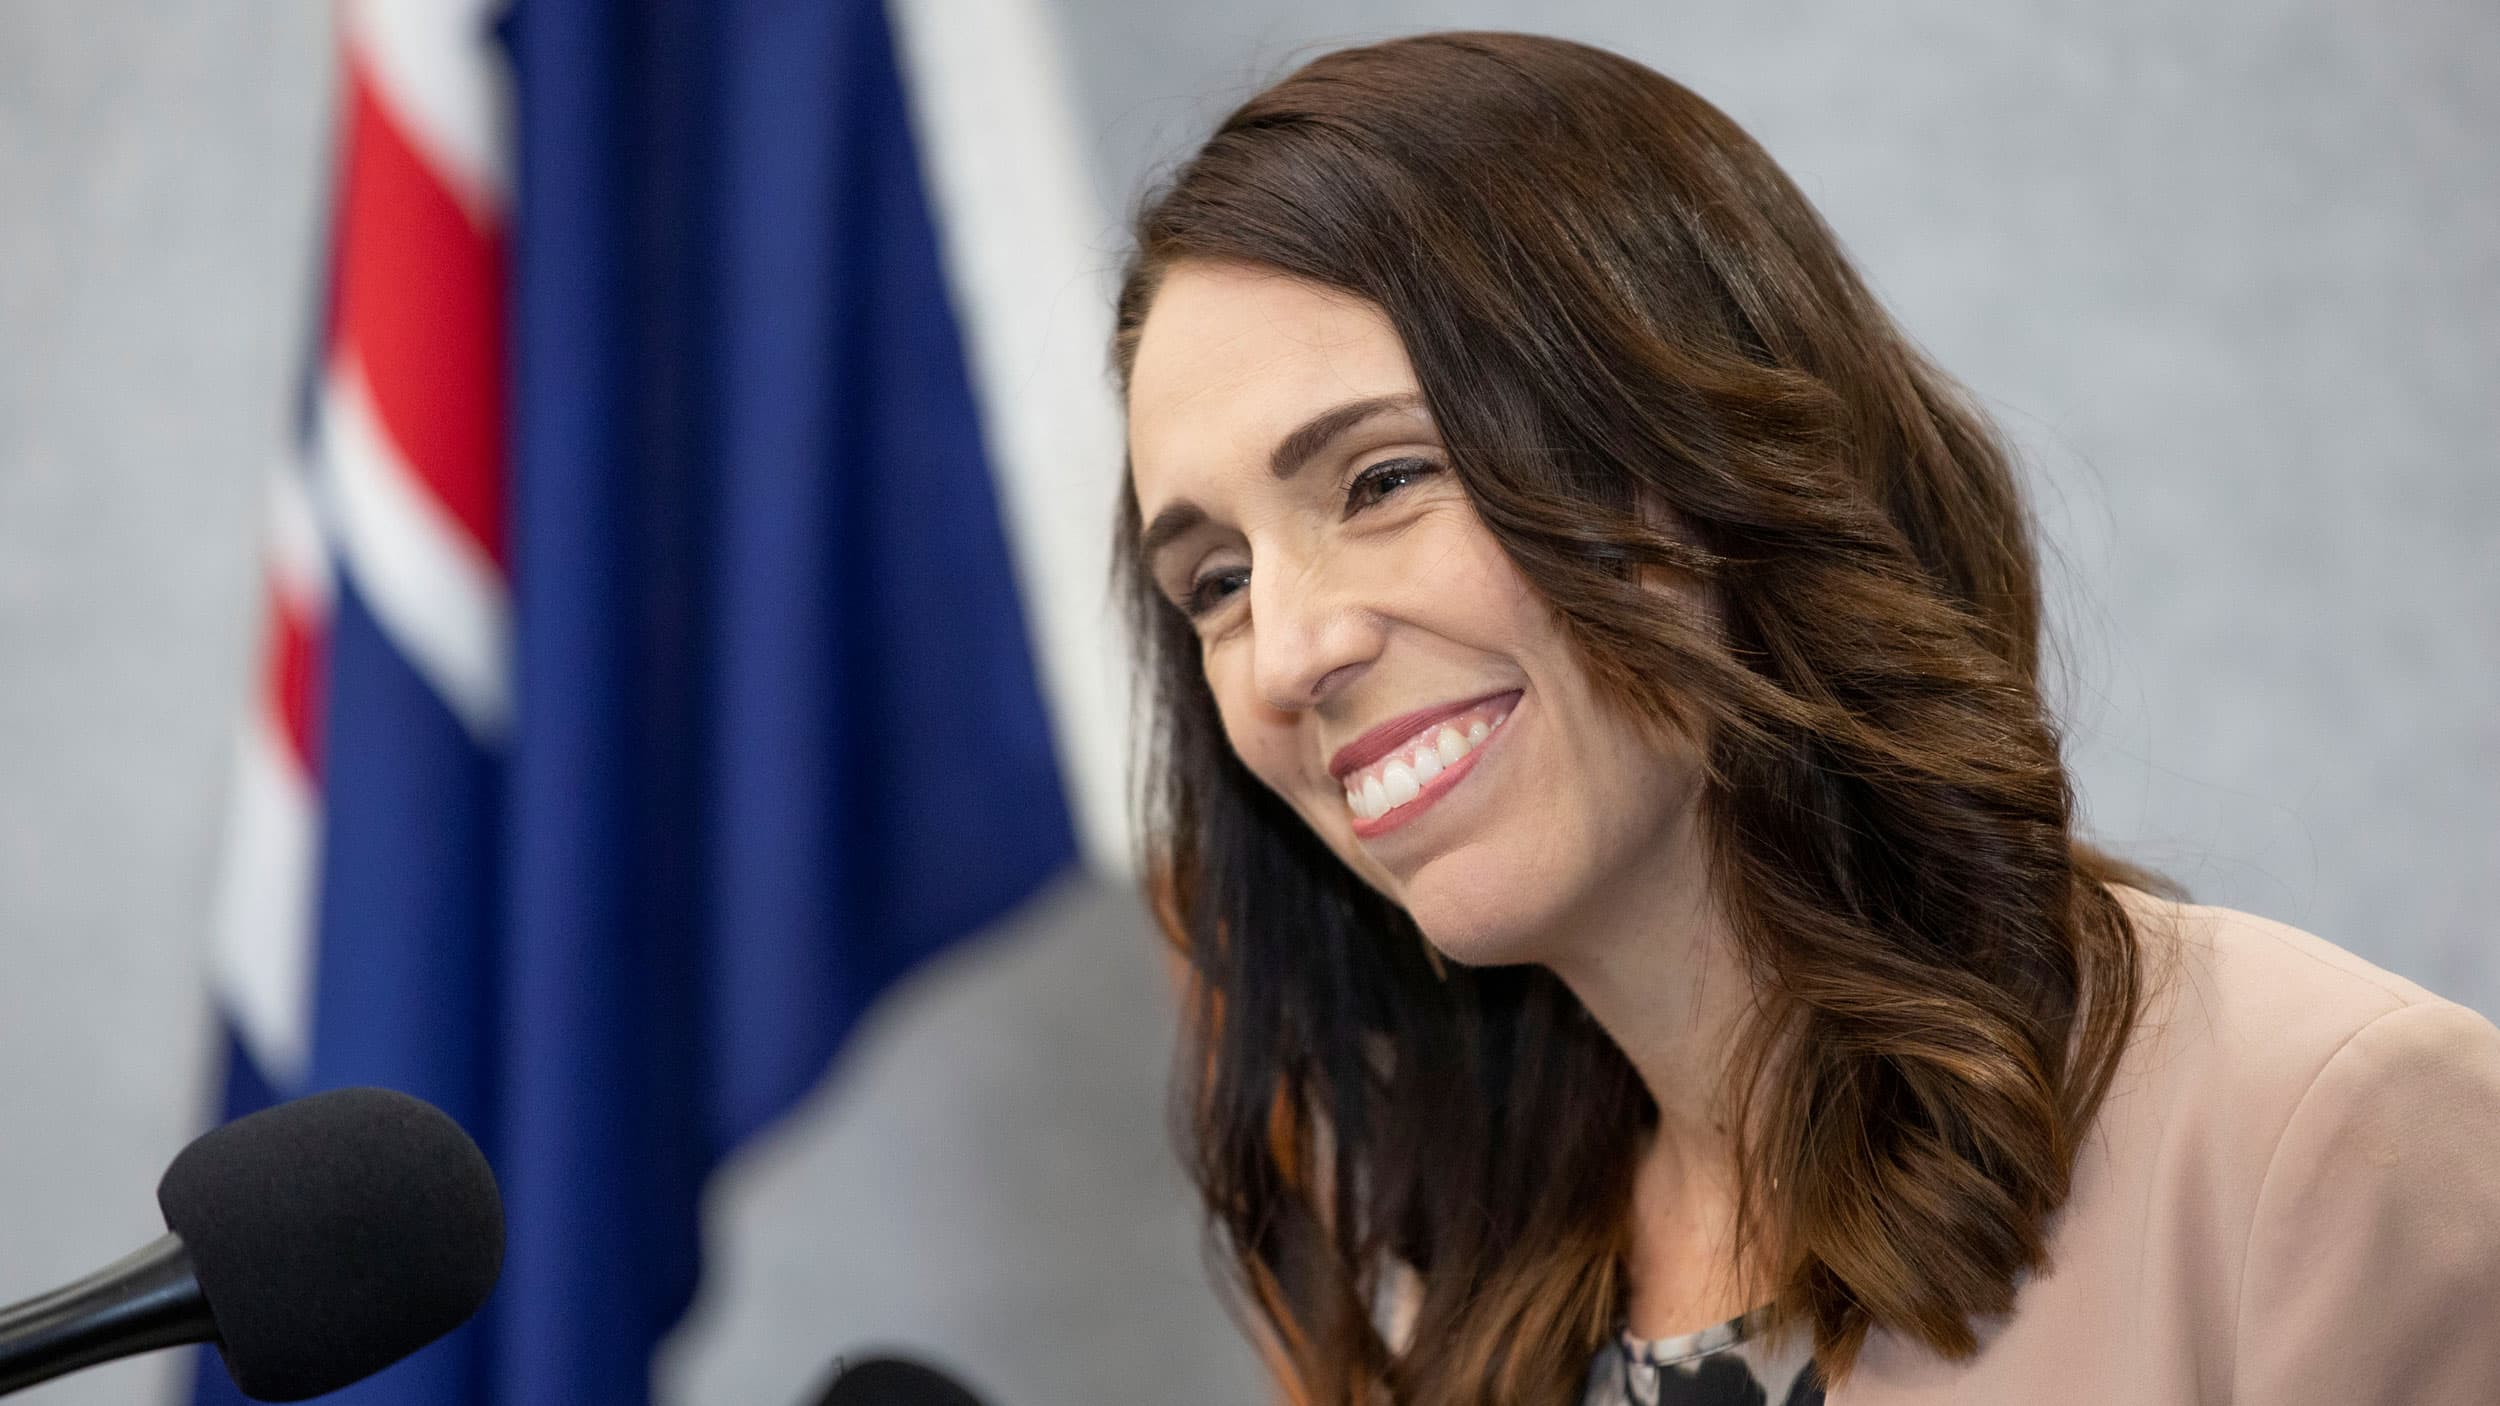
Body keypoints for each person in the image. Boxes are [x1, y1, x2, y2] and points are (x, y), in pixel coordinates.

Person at [1109, 31, 2500, 1406]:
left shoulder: (2326, 1132)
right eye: (1217, 581)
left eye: (1383, 478)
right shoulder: (1448, 1310)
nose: (1288, 651)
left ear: (1700, 447)